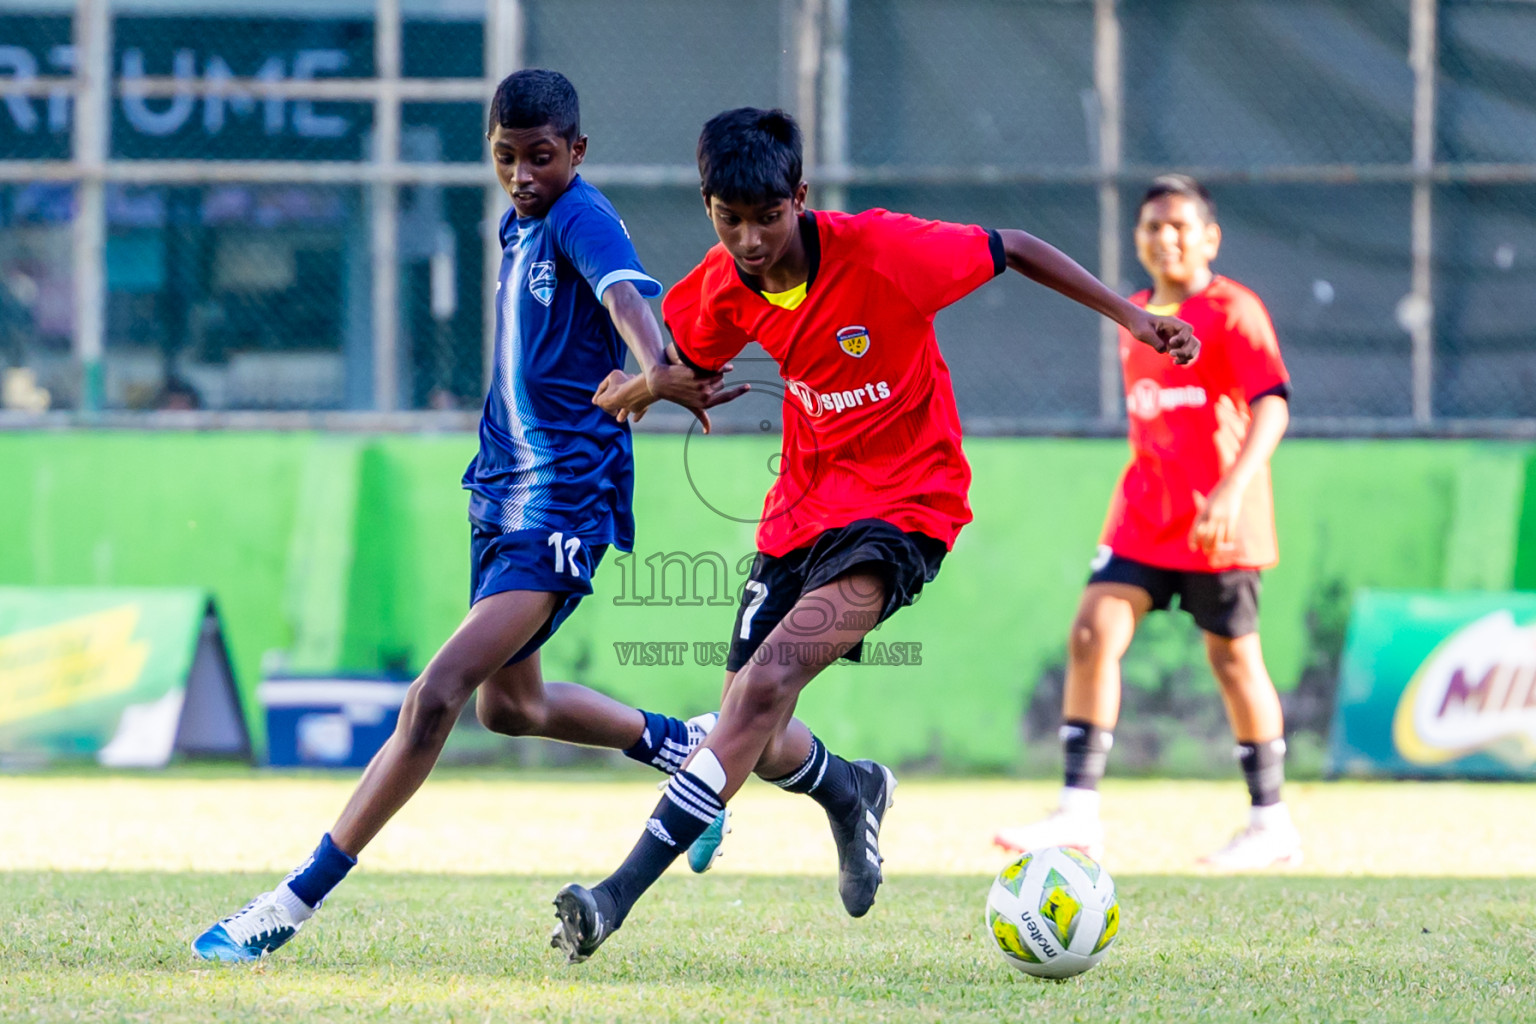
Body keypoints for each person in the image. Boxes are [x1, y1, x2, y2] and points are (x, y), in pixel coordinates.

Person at [547, 108, 1199, 964]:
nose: (748, 238)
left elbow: (1017, 246)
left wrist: (1131, 318)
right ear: (708, 206)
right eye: (727, 218)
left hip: (904, 509)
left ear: (801, 198)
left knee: (758, 695)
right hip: (798, 513)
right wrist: (657, 387)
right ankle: (852, 791)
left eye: (766, 217)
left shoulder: (890, 252)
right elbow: (694, 361)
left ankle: (612, 897)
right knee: (758, 726)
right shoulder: (721, 284)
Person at [191, 69, 743, 963]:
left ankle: (291, 902)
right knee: (510, 706)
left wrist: (656, 371)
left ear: (578, 153)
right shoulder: (516, 219)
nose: (523, 174)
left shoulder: (580, 215)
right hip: (499, 489)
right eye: (505, 158)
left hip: (561, 501)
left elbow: (625, 300)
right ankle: (682, 745)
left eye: (541, 157)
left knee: (435, 696)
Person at [993, 175, 1300, 870]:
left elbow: (1273, 405)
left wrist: (1231, 488)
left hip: (1218, 522)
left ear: (1209, 238)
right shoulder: (1132, 316)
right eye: (1152, 227)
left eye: (1180, 226)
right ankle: (1077, 815)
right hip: (1143, 519)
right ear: (1137, 239)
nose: (1165, 238)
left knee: (1233, 659)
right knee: (1091, 632)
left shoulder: (1235, 309)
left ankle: (1270, 822)